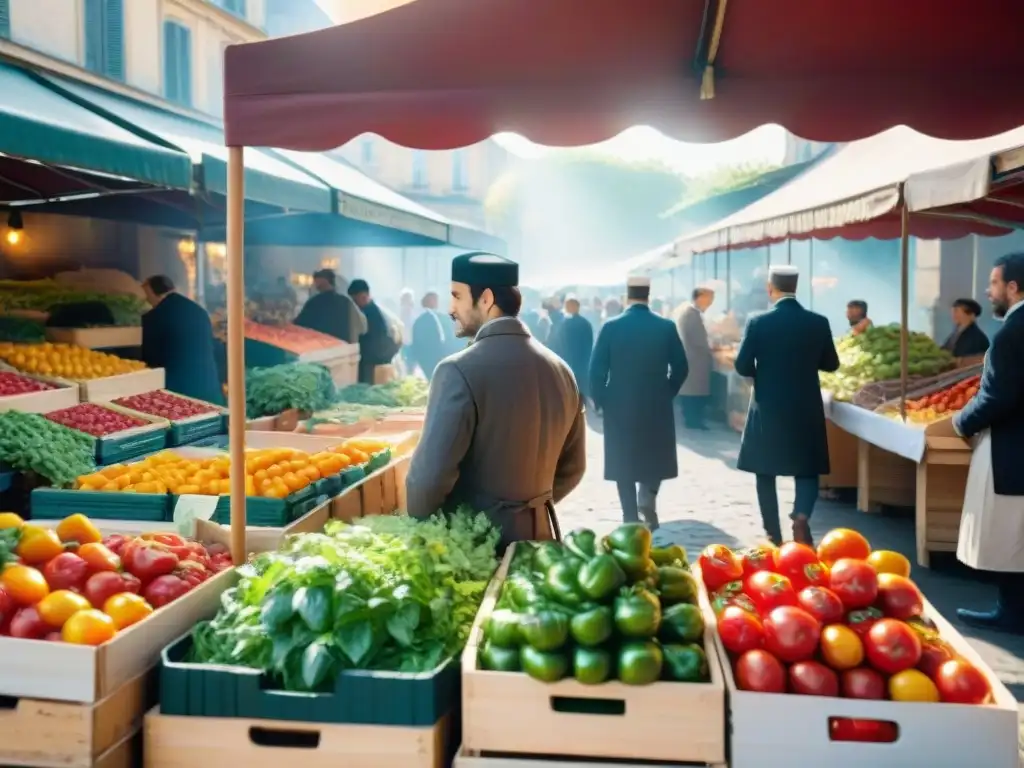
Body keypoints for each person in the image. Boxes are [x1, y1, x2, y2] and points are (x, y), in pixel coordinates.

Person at [405, 252, 586, 551]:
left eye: (456, 295)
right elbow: (574, 468)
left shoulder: (457, 370)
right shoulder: (561, 369)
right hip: (541, 543)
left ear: (486, 298)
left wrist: (427, 531)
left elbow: (427, 482)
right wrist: (530, 508)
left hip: (474, 548)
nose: (450, 308)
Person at [734, 266, 840, 546]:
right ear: (797, 287)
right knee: (807, 467)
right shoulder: (818, 322)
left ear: (771, 289)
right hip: (806, 405)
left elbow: (742, 364)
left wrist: (763, 376)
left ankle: (773, 532)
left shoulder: (758, 322)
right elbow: (832, 364)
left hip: (767, 405)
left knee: (764, 468)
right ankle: (801, 516)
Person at [952, 253, 1024, 633]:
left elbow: (997, 397)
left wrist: (960, 421)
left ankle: (1010, 614)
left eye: (994, 283)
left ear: (1012, 288)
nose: (988, 291)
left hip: (1012, 448)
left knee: (1011, 537)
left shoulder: (1011, 333)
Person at [590, 276, 688, 530]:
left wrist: (600, 400)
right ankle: (649, 498)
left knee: (623, 458)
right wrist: (668, 390)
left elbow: (596, 369)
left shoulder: (610, 327)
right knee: (655, 453)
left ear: (627, 296)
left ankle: (630, 515)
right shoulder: (665, 326)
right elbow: (681, 366)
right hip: (656, 400)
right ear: (648, 295)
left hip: (619, 401)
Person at [140, 275, 223, 405]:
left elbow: (150, 359)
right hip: (208, 386)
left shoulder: (154, 317)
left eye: (147, 294)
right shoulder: (199, 311)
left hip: (179, 391)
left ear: (152, 292)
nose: (147, 299)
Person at [346, 279, 401, 384]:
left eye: (355, 300)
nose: (354, 304)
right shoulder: (374, 310)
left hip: (372, 362)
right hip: (377, 361)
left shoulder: (369, 313)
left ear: (364, 296)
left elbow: (371, 340)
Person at [677, 287, 715, 430]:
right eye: (709, 298)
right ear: (700, 297)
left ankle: (692, 419)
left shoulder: (690, 313)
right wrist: (711, 347)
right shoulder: (692, 314)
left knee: (692, 392)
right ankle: (694, 421)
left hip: (693, 359)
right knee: (694, 393)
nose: (711, 302)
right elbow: (699, 340)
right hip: (695, 360)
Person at [293, 269, 366, 344]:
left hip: (320, 350)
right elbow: (363, 327)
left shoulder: (314, 303)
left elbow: (298, 326)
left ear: (323, 283)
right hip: (343, 350)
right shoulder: (347, 302)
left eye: (316, 285)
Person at [558, 295, 594, 398]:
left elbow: (560, 345)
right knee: (581, 398)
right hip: (582, 366)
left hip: (567, 365)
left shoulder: (564, 324)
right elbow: (589, 345)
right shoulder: (586, 323)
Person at [410, 291, 450, 381]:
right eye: (435, 300)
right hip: (432, 356)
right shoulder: (429, 317)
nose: (437, 302)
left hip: (430, 357)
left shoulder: (433, 316)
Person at [398, 288, 418, 374]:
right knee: (408, 365)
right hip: (406, 342)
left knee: (410, 365)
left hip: (409, 342)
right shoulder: (405, 311)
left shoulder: (411, 311)